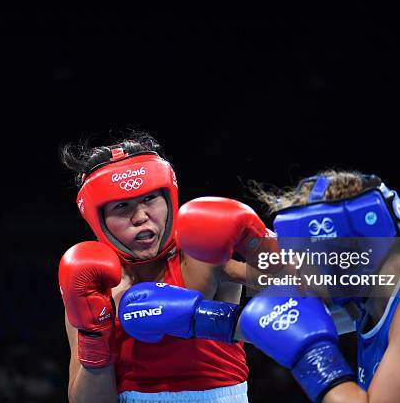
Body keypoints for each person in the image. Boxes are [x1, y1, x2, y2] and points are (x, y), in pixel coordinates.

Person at [121, 170, 400, 402]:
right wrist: (198, 314)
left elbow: (298, 327)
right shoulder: (376, 293)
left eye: (301, 258)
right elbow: (279, 316)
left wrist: (312, 358)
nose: (294, 273)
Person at [57, 132, 273, 403]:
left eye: (149, 199)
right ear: (98, 219)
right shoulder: (92, 286)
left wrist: (262, 245)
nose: (140, 217)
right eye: (122, 206)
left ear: (169, 200)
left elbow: (306, 293)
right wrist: (95, 338)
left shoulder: (201, 253)